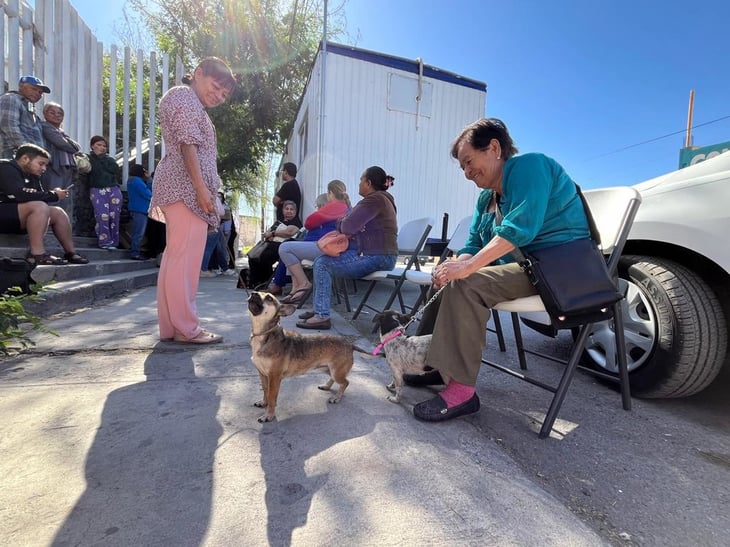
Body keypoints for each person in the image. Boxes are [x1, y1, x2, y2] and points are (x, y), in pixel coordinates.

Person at [409, 117, 591, 423]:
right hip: (524, 269)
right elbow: (472, 242)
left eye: (469, 162)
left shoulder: (529, 167)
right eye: (462, 168)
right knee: (445, 280)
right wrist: (453, 265)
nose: (467, 173)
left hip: (557, 270)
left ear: (494, 148)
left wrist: (465, 268)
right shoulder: (486, 198)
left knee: (466, 283)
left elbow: (519, 229)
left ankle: (462, 391)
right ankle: (436, 365)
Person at [148, 56, 237, 344]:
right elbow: (188, 144)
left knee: (177, 259)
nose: (218, 96)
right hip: (185, 189)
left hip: (185, 188)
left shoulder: (190, 102)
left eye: (224, 95)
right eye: (216, 87)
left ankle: (173, 327)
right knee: (184, 261)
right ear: (198, 74)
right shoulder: (185, 97)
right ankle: (187, 328)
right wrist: (201, 189)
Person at [296, 166, 398, 330]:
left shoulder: (374, 199)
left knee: (323, 263)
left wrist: (342, 221)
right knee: (323, 260)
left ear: (369, 183)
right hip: (382, 255)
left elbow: (348, 226)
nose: (359, 184)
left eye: (361, 180)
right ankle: (318, 308)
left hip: (378, 256)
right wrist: (345, 220)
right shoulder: (383, 199)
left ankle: (321, 315)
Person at [0, 143, 88, 264]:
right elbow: (18, 195)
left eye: (45, 165)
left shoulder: (33, 175)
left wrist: (53, 193)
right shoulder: (6, 167)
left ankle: (71, 253)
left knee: (57, 212)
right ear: (25, 159)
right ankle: (37, 255)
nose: (44, 168)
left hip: (15, 216)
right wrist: (53, 194)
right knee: (39, 206)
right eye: (41, 164)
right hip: (4, 213)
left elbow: (38, 196)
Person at [274, 179, 351, 304]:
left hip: (326, 247)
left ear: (330, 193)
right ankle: (295, 290)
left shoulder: (334, 206)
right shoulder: (346, 207)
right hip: (333, 247)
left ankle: (303, 284)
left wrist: (320, 212)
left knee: (285, 248)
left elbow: (309, 223)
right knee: (292, 252)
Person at [247, 200, 302, 289]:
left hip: (283, 247)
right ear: (283, 210)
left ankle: (266, 282)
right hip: (270, 244)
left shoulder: (296, 222)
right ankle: (255, 282)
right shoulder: (279, 221)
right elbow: (267, 233)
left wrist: (273, 234)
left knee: (265, 257)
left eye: (291, 209)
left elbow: (289, 232)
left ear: (295, 211)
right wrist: (269, 235)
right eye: (286, 209)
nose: (289, 211)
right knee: (253, 255)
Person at [0, 75, 49, 159]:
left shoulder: (28, 106)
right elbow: (9, 127)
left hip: (30, 155)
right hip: (16, 153)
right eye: (34, 89)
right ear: (21, 87)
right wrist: (27, 149)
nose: (38, 93)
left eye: (40, 92)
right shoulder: (11, 98)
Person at [88, 135, 122, 249]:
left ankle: (114, 242)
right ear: (92, 146)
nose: (102, 147)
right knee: (102, 216)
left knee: (114, 216)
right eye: (99, 145)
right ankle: (104, 242)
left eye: (104, 145)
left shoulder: (109, 159)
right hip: (97, 190)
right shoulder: (88, 158)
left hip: (113, 189)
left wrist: (102, 157)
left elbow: (115, 169)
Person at [40, 102, 81, 195]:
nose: (57, 115)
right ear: (45, 114)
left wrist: (71, 144)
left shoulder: (60, 131)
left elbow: (77, 147)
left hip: (66, 167)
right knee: (56, 195)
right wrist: (71, 145)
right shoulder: (45, 127)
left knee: (66, 197)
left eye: (60, 113)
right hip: (54, 167)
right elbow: (64, 145)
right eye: (52, 112)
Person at [126, 163, 152, 260]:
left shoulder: (131, 181)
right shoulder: (137, 181)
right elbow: (148, 194)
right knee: (139, 233)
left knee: (137, 231)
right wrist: (149, 179)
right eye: (144, 171)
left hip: (136, 209)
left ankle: (135, 251)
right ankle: (135, 253)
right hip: (140, 210)